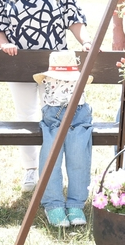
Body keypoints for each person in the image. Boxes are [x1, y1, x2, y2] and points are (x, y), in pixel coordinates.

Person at [0, 0, 93, 192]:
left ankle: (56, 170)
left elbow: (75, 20)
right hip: (20, 64)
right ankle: (31, 170)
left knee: (57, 117)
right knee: (26, 116)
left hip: (57, 67)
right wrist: (5, 45)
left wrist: (86, 41)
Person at [33, 50, 93, 227]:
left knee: (79, 157)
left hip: (79, 115)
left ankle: (76, 204)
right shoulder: (48, 81)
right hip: (53, 116)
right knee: (51, 158)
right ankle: (53, 204)